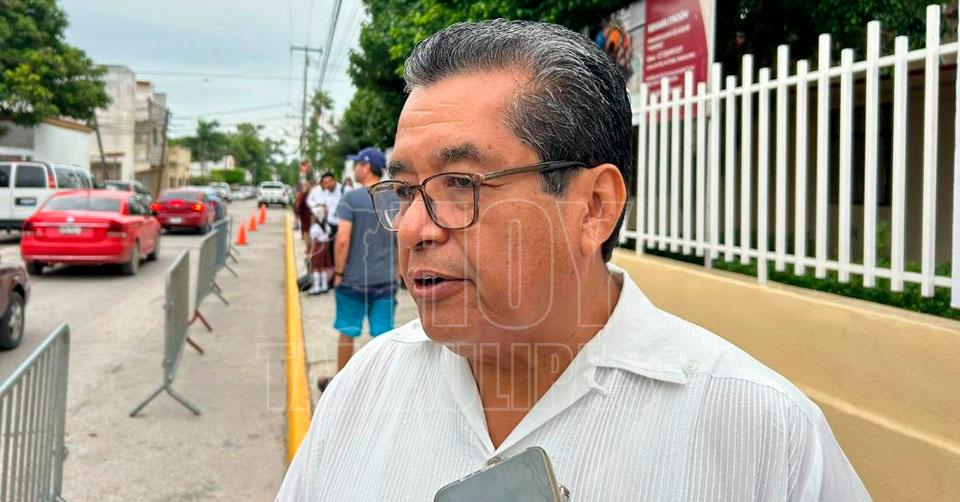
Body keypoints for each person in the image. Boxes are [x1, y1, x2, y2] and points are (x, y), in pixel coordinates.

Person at [277, 20, 869, 501]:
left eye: (461, 182)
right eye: (406, 190)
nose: (412, 228)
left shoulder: (764, 436)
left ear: (593, 208)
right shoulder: (365, 389)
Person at [323, 147, 397, 377]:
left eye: (357, 165)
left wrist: (338, 273)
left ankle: (341, 383)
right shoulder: (394, 198)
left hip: (353, 280)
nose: (354, 169)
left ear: (366, 167)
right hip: (386, 279)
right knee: (384, 336)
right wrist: (398, 275)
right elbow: (401, 240)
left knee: (347, 331)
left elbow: (342, 240)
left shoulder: (351, 198)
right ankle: (381, 385)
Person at [306, 206, 333, 295]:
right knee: (323, 268)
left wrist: (310, 253)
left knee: (316, 268)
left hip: (318, 249)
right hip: (325, 249)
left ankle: (316, 288)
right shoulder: (326, 226)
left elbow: (314, 243)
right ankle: (324, 286)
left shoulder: (315, 228)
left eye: (313, 215)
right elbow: (327, 238)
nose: (312, 216)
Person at [293, 180, 313, 246]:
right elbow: (299, 205)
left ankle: (309, 245)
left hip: (311, 215)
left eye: (307, 185)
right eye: (305, 185)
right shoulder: (302, 194)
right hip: (304, 216)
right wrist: (297, 214)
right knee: (305, 230)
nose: (306, 187)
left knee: (310, 230)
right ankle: (307, 245)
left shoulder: (312, 194)